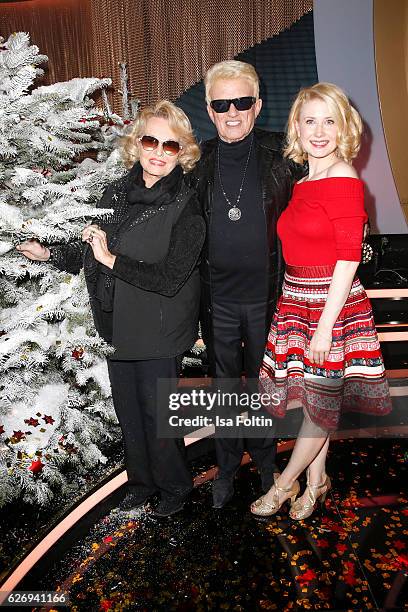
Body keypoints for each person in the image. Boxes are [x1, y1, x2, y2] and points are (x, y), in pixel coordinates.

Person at [16, 100, 206, 517]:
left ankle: (175, 487)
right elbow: (93, 250)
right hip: (117, 320)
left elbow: (171, 277)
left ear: (184, 152)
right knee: (129, 413)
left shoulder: (187, 204)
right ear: (136, 144)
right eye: (150, 140)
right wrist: (48, 253)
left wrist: (112, 260)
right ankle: (140, 483)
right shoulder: (115, 192)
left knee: (158, 416)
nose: (158, 151)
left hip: (159, 324)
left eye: (170, 145)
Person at [250, 83, 392, 519]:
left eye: (329, 120)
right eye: (310, 120)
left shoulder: (344, 179)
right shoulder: (305, 180)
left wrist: (327, 325)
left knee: (320, 403)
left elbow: (349, 259)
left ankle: (285, 482)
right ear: (296, 125)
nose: (319, 130)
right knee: (314, 399)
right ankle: (317, 482)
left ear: (343, 126)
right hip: (298, 300)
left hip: (332, 305)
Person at [190, 60, 303, 508]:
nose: (232, 112)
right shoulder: (196, 163)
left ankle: (266, 462)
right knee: (224, 389)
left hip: (269, 299)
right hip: (217, 301)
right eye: (222, 104)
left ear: (257, 105)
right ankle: (227, 466)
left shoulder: (286, 157)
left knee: (265, 388)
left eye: (241, 102)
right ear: (209, 109)